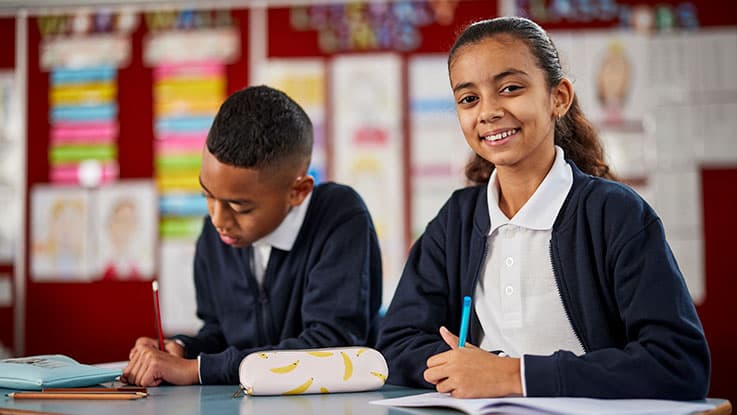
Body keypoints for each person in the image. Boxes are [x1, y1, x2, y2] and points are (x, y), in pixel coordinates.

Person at [376, 16, 709, 400]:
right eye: (469, 98)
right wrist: (471, 368)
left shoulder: (615, 213)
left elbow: (679, 364)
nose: (488, 111)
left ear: (558, 98)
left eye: (510, 88)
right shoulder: (456, 220)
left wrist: (515, 375)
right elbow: (398, 344)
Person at [122, 85, 383, 386]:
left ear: (298, 192)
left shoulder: (340, 218)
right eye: (208, 196)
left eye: (240, 207)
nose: (218, 220)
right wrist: (182, 349)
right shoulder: (216, 234)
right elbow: (221, 333)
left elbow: (330, 348)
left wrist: (199, 370)